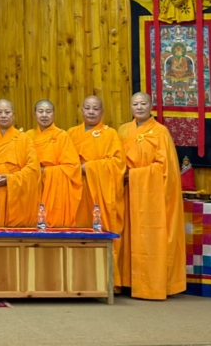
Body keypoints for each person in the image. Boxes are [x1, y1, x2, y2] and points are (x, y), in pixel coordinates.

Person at [117, 92, 186, 300]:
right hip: (126, 191)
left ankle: (151, 285)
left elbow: (164, 168)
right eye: (135, 104)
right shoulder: (122, 130)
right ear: (130, 107)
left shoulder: (160, 132)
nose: (139, 108)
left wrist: (135, 175)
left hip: (150, 193)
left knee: (150, 235)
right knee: (127, 234)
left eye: (143, 104)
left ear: (150, 106)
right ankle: (128, 281)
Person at [67, 95, 125, 281]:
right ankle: (76, 279)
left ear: (102, 112)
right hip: (76, 191)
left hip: (100, 192)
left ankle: (106, 281)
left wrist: (89, 168)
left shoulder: (110, 134)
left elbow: (117, 164)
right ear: (81, 110)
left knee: (99, 231)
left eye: (95, 108)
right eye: (87, 108)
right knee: (76, 232)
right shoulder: (71, 133)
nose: (91, 112)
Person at [0, 99, 40, 227]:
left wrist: (10, 179)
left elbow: (33, 168)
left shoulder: (24, 139)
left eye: (7, 112)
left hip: (17, 194)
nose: (3, 115)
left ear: (13, 115)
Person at [27, 100, 82, 227]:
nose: (44, 115)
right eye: (40, 111)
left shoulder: (62, 136)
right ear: (34, 114)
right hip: (33, 187)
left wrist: (46, 172)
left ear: (54, 114)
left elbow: (72, 167)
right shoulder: (28, 136)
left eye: (48, 111)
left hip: (56, 187)